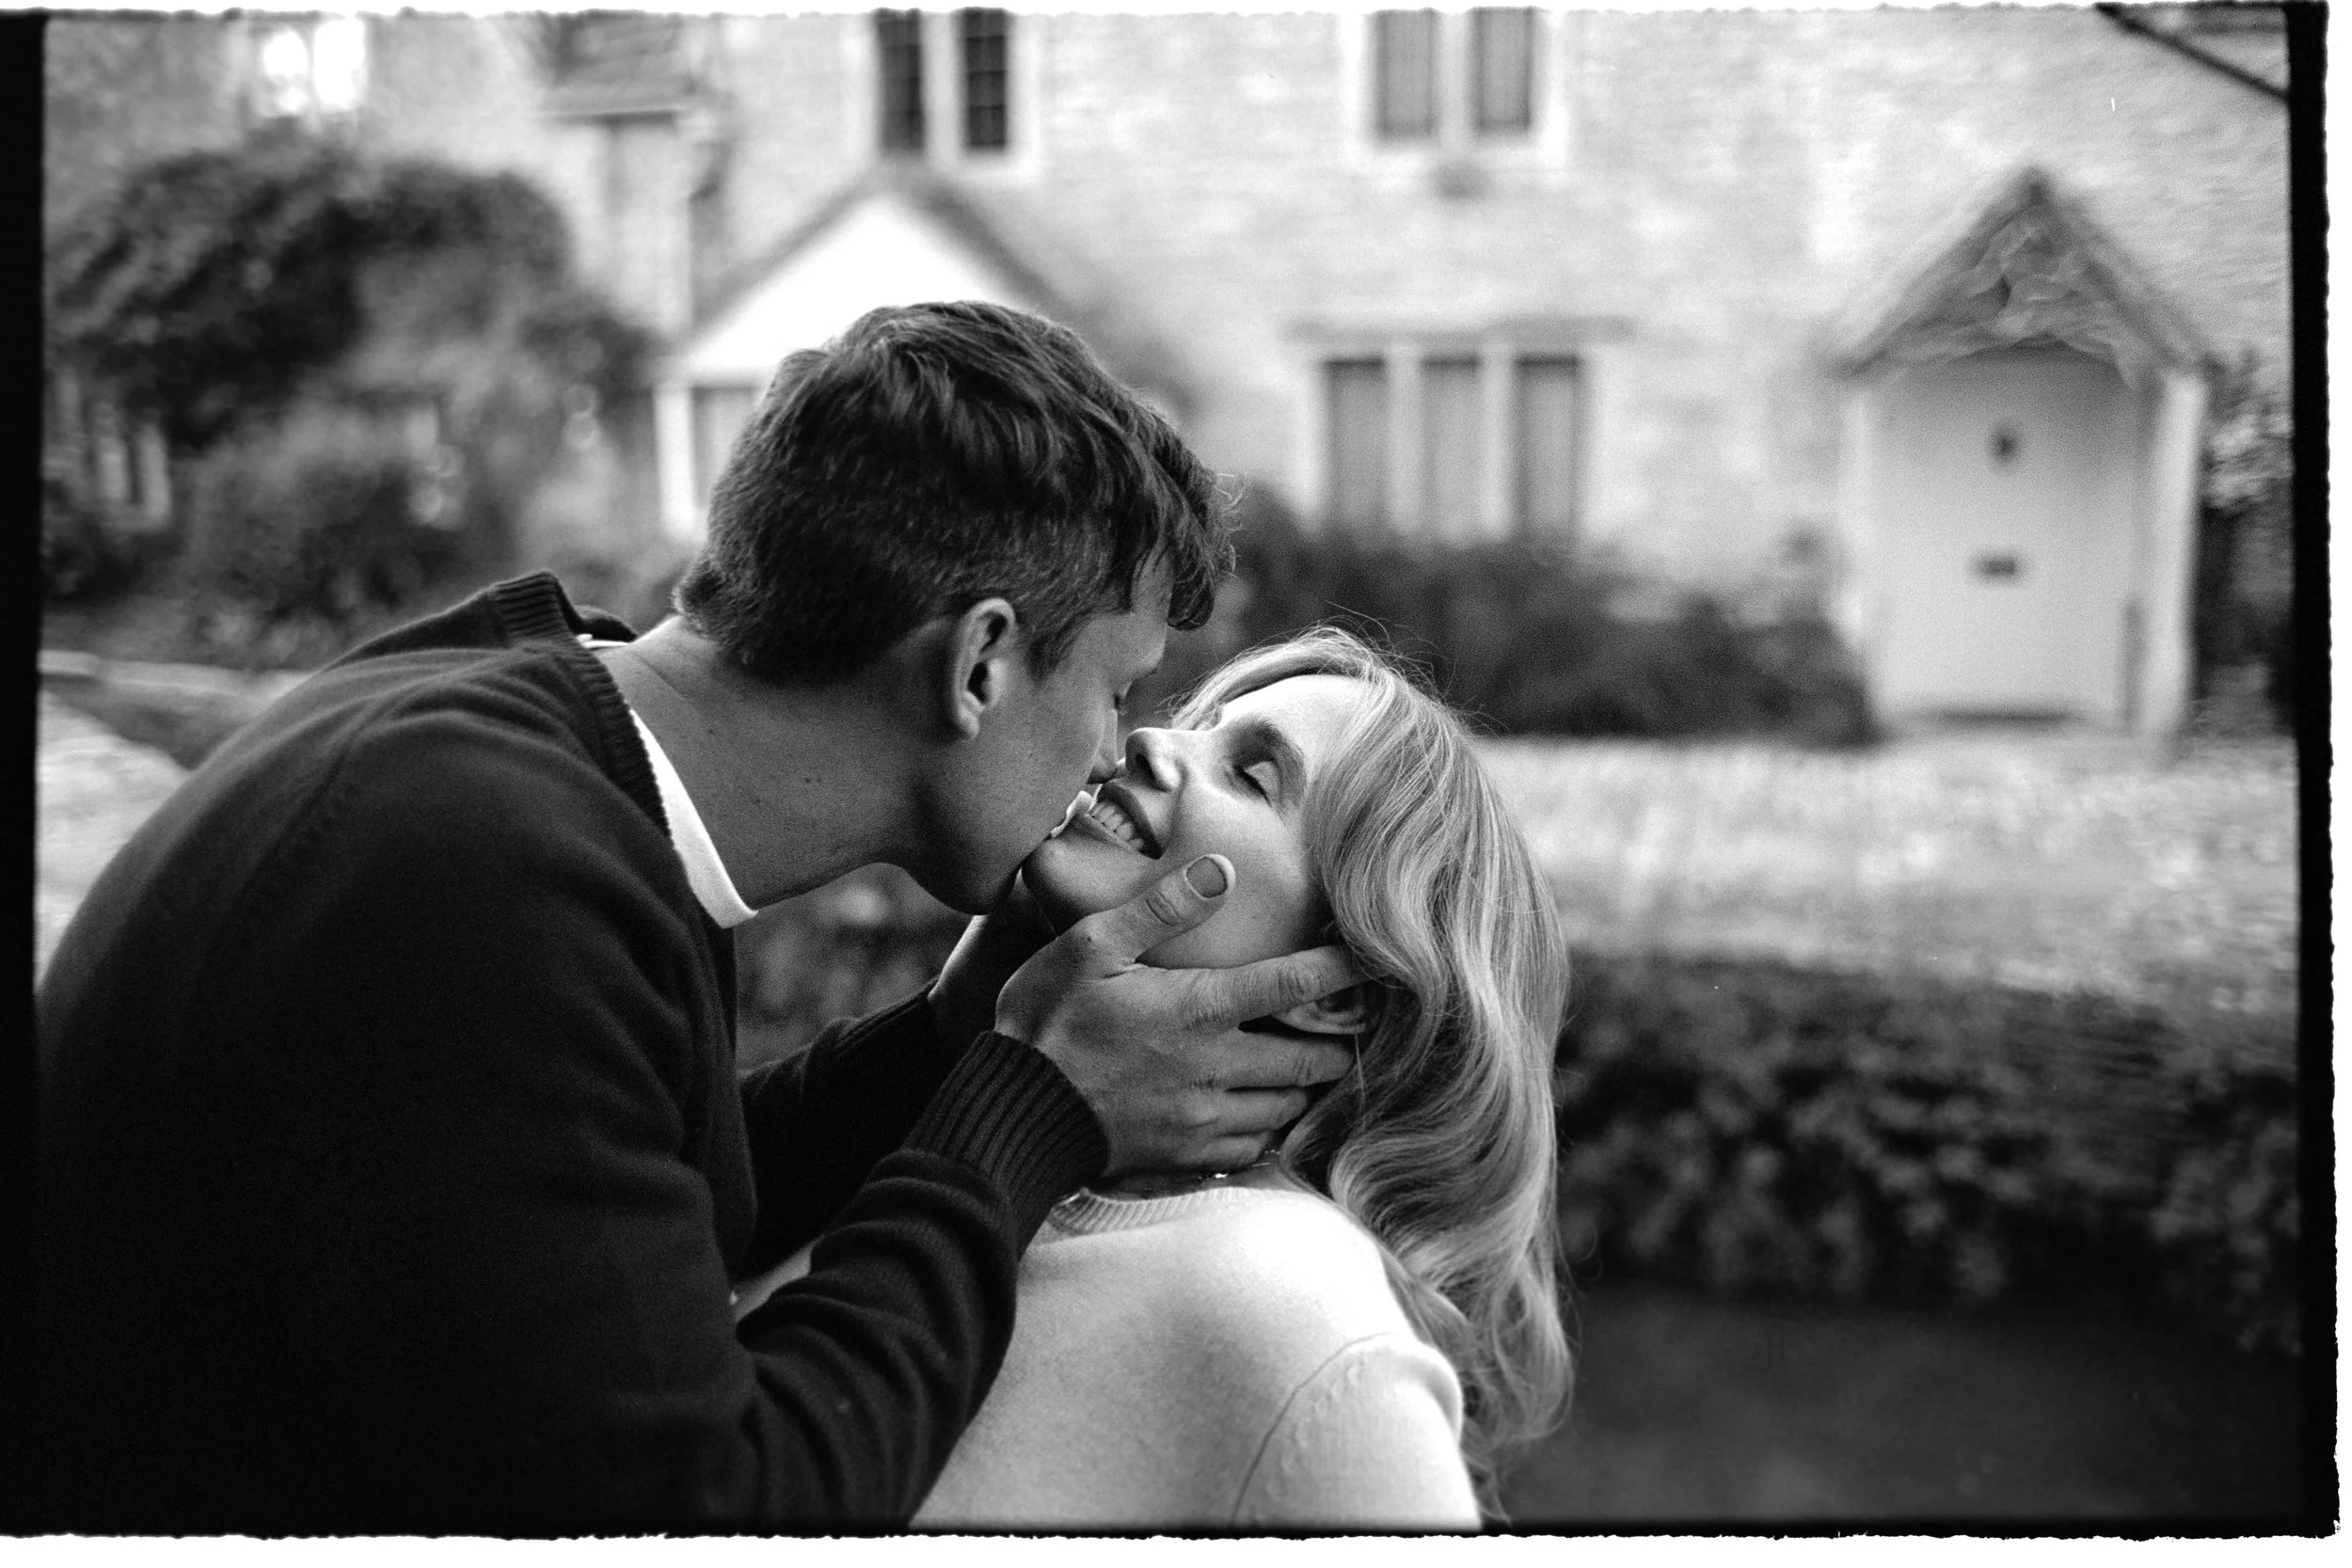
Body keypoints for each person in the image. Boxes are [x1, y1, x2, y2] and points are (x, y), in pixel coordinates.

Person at [32, 302, 1359, 1531]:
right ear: (979, 662)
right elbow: (718, 1502)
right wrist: (1029, 1110)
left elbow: (613, 1228)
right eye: (1116, 688)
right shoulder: (487, 875)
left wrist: (956, 1039)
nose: (1117, 747)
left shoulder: (519, 742)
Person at [741, 628, 1575, 1528]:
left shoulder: (1300, 1325)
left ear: (1337, 998)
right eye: (1200, 724)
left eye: (1253, 776)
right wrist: (966, 1040)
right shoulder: (961, 1147)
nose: (1152, 741)